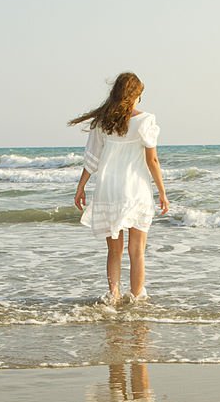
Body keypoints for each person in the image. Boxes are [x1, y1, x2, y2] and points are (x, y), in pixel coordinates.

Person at [70, 72, 169, 304]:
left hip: (108, 189)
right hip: (135, 190)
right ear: (135, 95)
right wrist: (162, 192)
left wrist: (81, 187)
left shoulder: (102, 122)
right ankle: (136, 298)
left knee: (114, 251)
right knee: (137, 250)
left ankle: (113, 297)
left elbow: (92, 159)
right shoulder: (146, 120)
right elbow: (152, 161)